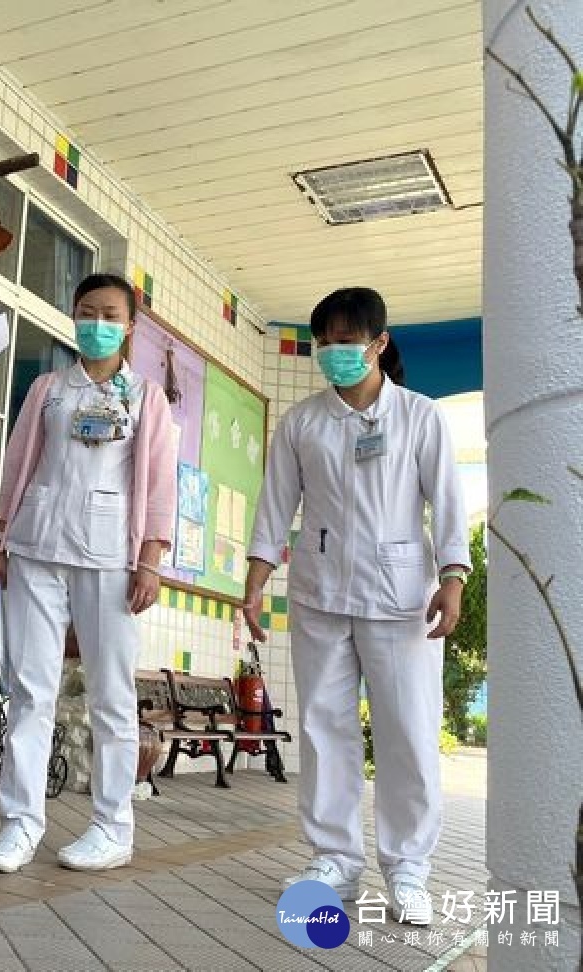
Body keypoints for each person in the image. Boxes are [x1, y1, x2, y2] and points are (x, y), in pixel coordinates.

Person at [242, 287, 468, 925]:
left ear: (379, 342)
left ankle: (409, 871)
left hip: (402, 600)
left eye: (349, 339)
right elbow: (274, 506)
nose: (337, 351)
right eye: (327, 341)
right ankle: (335, 860)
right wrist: (256, 581)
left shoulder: (421, 417)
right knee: (323, 730)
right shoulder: (303, 422)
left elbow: (448, 503)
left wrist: (453, 576)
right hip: (319, 595)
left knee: (408, 735)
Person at [0, 273, 179, 873]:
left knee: (112, 698)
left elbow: (162, 487)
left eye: (109, 313)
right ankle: (19, 825)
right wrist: (0, 540)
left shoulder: (147, 397)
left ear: (129, 326)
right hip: (37, 546)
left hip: (111, 558)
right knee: (30, 692)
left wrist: (150, 560)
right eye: (86, 311)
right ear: (74, 316)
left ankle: (112, 826)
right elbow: (18, 465)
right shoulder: (47, 388)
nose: (96, 321)